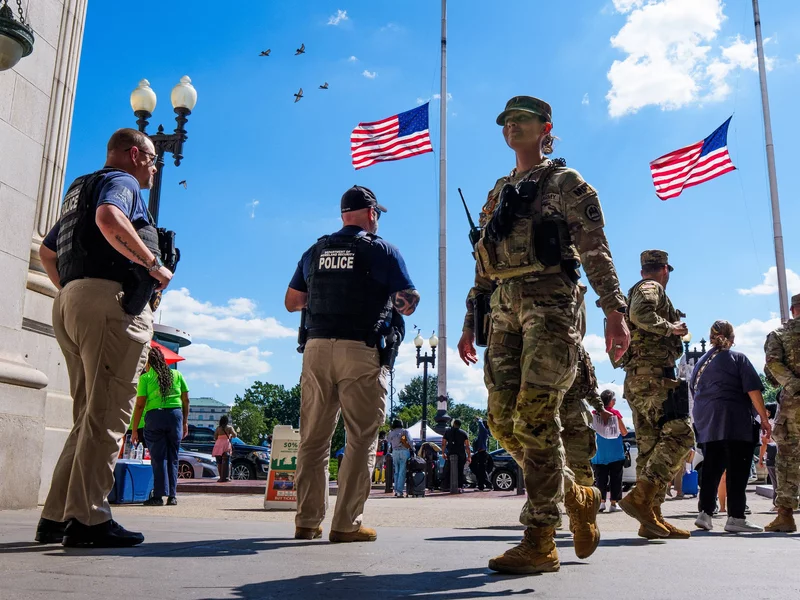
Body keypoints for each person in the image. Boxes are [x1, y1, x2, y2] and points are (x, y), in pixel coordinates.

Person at [457, 96, 630, 574]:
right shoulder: (498, 191)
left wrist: (615, 311)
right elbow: (483, 264)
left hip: (551, 301)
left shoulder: (565, 183)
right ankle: (574, 492)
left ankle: (539, 539)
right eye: (506, 122)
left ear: (545, 127)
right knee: (500, 421)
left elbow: (597, 250)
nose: (511, 127)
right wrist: (471, 321)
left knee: (535, 416)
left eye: (522, 120)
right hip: (504, 306)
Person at [35, 128, 173, 548]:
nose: (154, 166)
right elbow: (109, 218)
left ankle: (57, 517)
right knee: (108, 415)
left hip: (72, 301)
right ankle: (89, 518)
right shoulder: (122, 182)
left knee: (87, 417)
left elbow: (46, 251)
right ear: (134, 154)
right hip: (108, 303)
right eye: (151, 158)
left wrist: (74, 291)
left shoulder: (81, 186)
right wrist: (153, 264)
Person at [285, 185, 419, 542]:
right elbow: (407, 300)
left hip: (315, 348)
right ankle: (346, 524)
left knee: (313, 440)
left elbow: (292, 301)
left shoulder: (315, 251)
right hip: (360, 349)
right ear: (372, 213)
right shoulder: (383, 250)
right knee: (360, 438)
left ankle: (307, 521)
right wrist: (401, 301)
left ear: (343, 214)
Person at [617, 250, 694, 541]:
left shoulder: (638, 287)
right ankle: (641, 498)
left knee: (649, 450)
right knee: (681, 436)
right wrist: (671, 328)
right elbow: (641, 313)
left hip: (639, 378)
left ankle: (651, 516)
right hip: (654, 379)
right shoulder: (651, 288)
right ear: (664, 270)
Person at [691, 320, 770, 533]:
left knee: (711, 470)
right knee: (737, 471)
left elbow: (694, 392)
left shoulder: (700, 364)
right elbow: (753, 391)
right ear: (732, 338)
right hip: (735, 423)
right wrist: (763, 418)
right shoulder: (738, 359)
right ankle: (735, 517)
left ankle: (705, 513)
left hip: (708, 425)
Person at [130, 346, 190, 506]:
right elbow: (186, 400)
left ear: (148, 361)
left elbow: (140, 405)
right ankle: (172, 496)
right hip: (175, 417)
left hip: (155, 417)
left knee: (158, 458)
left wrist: (135, 429)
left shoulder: (146, 377)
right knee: (173, 457)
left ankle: (158, 496)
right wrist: (184, 422)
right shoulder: (177, 375)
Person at [763, 293, 800, 533]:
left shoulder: (779, 334)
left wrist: (793, 384)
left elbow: (773, 364)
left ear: (793, 309)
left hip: (793, 405)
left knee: (788, 458)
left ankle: (785, 515)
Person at [591, 390, 628, 513]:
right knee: (616, 478)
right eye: (614, 399)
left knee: (600, 478)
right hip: (615, 452)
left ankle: (601, 503)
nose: (615, 401)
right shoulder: (615, 414)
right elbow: (624, 432)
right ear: (610, 401)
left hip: (599, 452)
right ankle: (614, 503)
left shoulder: (594, 413)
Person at [442, 419, 471, 492]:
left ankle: (447, 486)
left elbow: (444, 443)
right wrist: (469, 456)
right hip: (461, 454)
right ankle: (459, 487)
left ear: (453, 424)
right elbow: (467, 446)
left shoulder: (448, 431)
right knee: (460, 471)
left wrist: (443, 453)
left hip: (450, 453)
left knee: (448, 470)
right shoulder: (464, 433)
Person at [387, 420, 413, 497]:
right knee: (402, 472)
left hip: (394, 452)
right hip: (404, 451)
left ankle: (396, 490)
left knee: (396, 472)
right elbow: (411, 441)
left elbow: (388, 443)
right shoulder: (404, 431)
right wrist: (413, 449)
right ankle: (399, 491)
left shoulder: (391, 433)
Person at [212, 416, 236, 483]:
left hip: (218, 445)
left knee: (219, 462)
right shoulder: (229, 428)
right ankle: (226, 477)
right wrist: (230, 435)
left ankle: (221, 477)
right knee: (227, 461)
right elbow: (235, 435)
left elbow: (215, 437)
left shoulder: (218, 428)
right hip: (226, 444)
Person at [471, 417, 492, 491]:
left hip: (482, 453)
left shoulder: (483, 431)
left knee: (480, 470)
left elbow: (480, 425)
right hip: (481, 453)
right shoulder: (485, 432)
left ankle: (487, 484)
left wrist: (479, 419)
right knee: (480, 470)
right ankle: (481, 485)